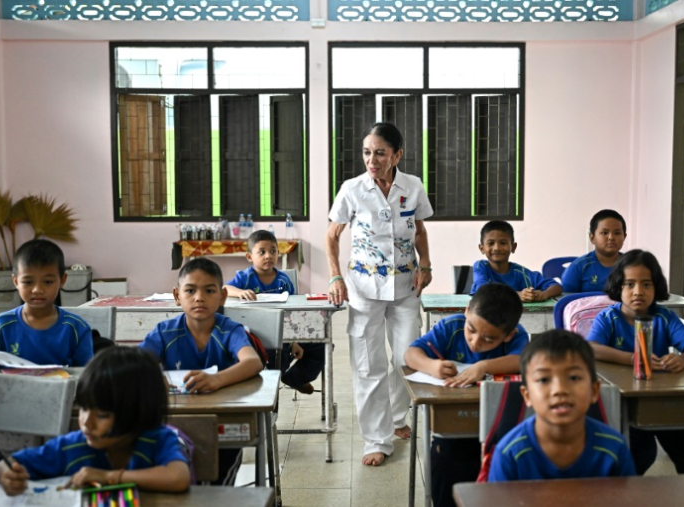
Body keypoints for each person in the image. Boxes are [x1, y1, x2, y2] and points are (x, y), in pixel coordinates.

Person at [325, 122, 433, 466]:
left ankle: (398, 418)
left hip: (404, 288)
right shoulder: (352, 189)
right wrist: (334, 277)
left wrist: (426, 264)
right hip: (363, 289)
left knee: (406, 358)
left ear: (397, 155)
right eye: (367, 152)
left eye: (380, 153)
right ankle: (376, 439)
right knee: (367, 365)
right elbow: (332, 236)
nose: (372, 159)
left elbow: (418, 229)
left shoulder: (412, 186)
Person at [586, 249, 684, 475]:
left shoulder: (664, 318)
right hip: (623, 405)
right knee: (637, 457)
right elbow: (591, 348)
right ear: (618, 287)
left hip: (663, 402)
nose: (638, 292)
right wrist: (633, 359)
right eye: (629, 284)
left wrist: (682, 359)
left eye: (646, 284)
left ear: (656, 288)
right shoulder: (609, 318)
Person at [0, 346, 191, 495]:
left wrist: (107, 477)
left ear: (138, 412)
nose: (87, 423)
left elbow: (178, 477)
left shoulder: (157, 439)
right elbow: (10, 464)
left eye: (102, 415)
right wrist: (6, 474)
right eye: (84, 409)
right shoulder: (71, 446)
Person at [140, 257, 263, 485]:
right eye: (190, 290)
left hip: (222, 424)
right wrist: (153, 378)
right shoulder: (164, 332)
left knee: (218, 488)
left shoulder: (228, 330)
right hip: (175, 423)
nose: (199, 298)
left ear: (222, 296)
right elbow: (137, 363)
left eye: (209, 290)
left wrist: (216, 380)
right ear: (178, 296)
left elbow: (253, 362)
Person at [405, 283, 527, 507]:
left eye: (489, 340)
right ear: (467, 310)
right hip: (452, 428)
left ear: (509, 335)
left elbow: (523, 361)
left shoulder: (518, 336)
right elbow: (411, 354)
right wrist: (432, 366)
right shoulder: (451, 327)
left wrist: (484, 366)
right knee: (447, 466)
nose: (475, 341)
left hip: (499, 429)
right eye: (471, 330)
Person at [488, 330, 635, 481]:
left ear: (594, 390)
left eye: (573, 377)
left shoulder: (614, 449)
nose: (559, 390)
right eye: (544, 380)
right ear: (527, 395)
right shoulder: (510, 453)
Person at [0, 239, 94, 369]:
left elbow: (86, 375)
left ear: (62, 280)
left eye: (48, 281)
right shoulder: (1, 325)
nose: (37, 290)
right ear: (15, 281)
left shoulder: (76, 328)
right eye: (28, 282)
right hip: (12, 389)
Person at [225, 229, 325, 395]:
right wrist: (239, 292)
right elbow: (225, 289)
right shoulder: (245, 278)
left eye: (273, 251)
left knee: (321, 346)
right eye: (262, 252)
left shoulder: (283, 280)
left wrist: (294, 341)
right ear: (250, 257)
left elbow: (292, 313)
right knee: (276, 360)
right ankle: (266, 397)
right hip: (258, 337)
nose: (268, 256)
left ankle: (295, 378)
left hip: (284, 334)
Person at [470, 220, 562, 302]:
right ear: (482, 248)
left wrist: (543, 294)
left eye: (503, 243)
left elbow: (556, 286)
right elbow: (482, 291)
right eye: (491, 243)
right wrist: (517, 295)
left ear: (513, 247)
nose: (497, 248)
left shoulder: (522, 273)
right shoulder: (481, 266)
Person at [561, 209, 627, 293]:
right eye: (604, 233)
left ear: (624, 237)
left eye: (617, 233)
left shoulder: (633, 265)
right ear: (592, 238)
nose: (611, 237)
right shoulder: (578, 267)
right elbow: (565, 300)